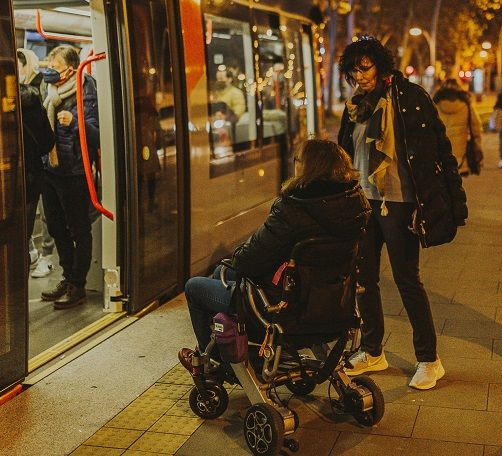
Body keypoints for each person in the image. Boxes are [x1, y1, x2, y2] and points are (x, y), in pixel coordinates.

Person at [337, 36, 467, 390]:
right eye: (353, 69)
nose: (360, 75)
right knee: (364, 280)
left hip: (399, 203)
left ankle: (429, 360)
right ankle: (372, 351)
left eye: (365, 67)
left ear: (380, 64)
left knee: (407, 280)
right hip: (363, 201)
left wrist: (446, 201)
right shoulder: (355, 107)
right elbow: (345, 156)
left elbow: (438, 150)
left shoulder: (409, 98)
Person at [179, 139, 370, 358]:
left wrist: (237, 255)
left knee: (195, 287)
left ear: (307, 167)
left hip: (285, 307)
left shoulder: (294, 206)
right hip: (334, 303)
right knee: (221, 274)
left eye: (297, 160)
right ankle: (241, 348)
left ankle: (210, 359)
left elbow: (247, 262)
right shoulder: (356, 204)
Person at [38, 45, 101, 310]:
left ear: (71, 69)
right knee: (55, 226)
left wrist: (73, 121)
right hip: (50, 169)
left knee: (78, 229)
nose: (50, 70)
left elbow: (95, 132)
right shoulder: (49, 90)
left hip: (73, 171)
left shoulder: (85, 89)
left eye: (55, 66)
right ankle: (67, 276)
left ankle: (78, 284)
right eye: (49, 65)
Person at [17, 48, 56, 270]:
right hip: (33, 173)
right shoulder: (34, 99)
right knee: (26, 229)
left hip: (13, 178)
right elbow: (48, 140)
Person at [434, 79, 482, 176]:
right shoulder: (466, 105)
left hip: (440, 153)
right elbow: (475, 127)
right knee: (459, 185)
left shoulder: (435, 105)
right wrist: (477, 146)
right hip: (461, 156)